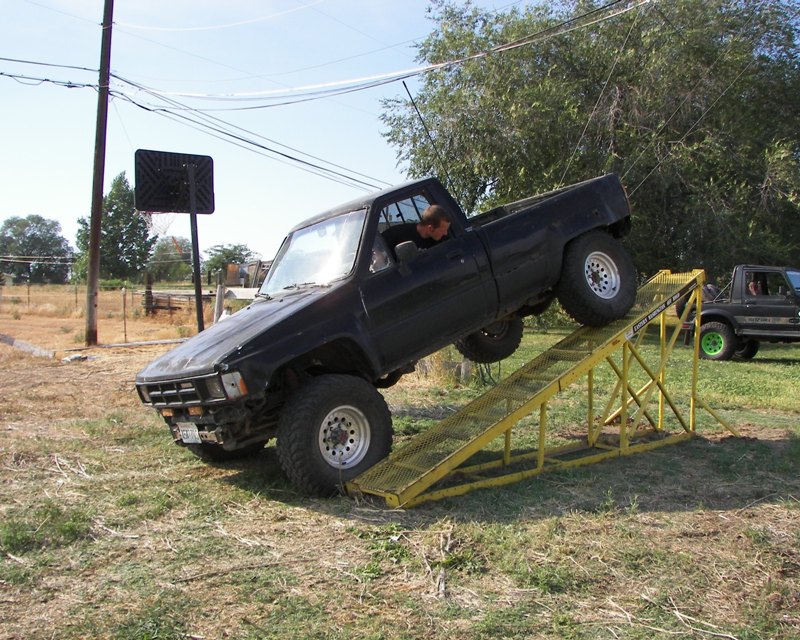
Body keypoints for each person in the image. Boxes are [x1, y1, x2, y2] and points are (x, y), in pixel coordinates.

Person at [381, 204, 451, 256]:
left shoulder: (444, 241)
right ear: (430, 228)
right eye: (443, 230)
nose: (445, 233)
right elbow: (377, 247)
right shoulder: (397, 233)